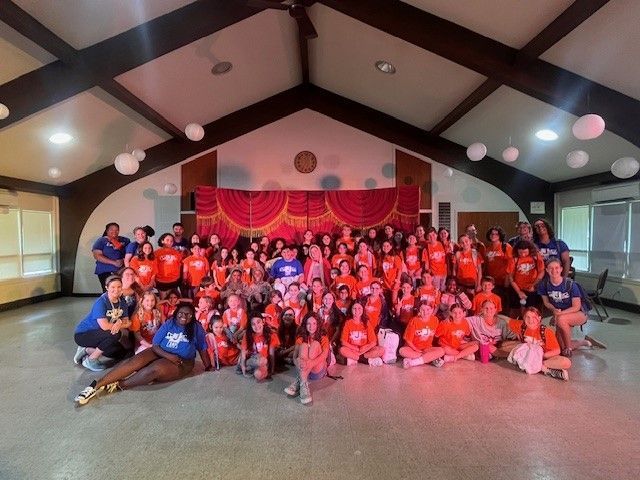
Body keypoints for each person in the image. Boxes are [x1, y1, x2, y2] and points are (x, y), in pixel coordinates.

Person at [74, 303, 212, 405]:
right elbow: (156, 345)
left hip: (182, 361)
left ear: (193, 315)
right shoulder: (170, 323)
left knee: (154, 369)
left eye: (188, 314)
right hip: (161, 352)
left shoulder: (196, 327)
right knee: (133, 362)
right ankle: (95, 386)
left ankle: (120, 384)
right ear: (176, 313)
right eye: (181, 313)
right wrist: (169, 356)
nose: (184, 317)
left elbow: (202, 347)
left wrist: (208, 365)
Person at [538, 258, 605, 357]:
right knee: (559, 347)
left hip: (578, 313)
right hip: (561, 314)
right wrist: (554, 310)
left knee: (561, 320)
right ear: (547, 270)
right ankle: (585, 342)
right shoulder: (544, 284)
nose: (554, 270)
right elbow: (546, 303)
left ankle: (568, 348)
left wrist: (557, 314)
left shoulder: (570, 284)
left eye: (556, 268)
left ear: (561, 269)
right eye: (550, 268)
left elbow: (576, 307)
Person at [73, 275, 131, 371]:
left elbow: (128, 322)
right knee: (116, 334)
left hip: (103, 335)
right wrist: (119, 324)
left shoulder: (122, 301)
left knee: (119, 353)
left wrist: (120, 322)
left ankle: (86, 350)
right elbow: (105, 326)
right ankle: (91, 360)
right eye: (113, 287)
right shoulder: (101, 302)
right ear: (106, 287)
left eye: (119, 287)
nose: (116, 290)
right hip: (83, 334)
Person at [507, 307, 571, 381]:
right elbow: (507, 320)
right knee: (506, 346)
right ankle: (546, 370)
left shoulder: (547, 332)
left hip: (544, 357)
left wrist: (540, 356)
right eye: (527, 317)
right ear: (524, 318)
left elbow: (557, 351)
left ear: (539, 318)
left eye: (534, 317)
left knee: (566, 362)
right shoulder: (522, 325)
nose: (530, 320)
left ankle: (537, 366)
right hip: (527, 354)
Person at [284, 313, 331, 405]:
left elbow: (324, 356)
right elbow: (295, 357)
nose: (311, 326)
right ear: (305, 325)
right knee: (304, 345)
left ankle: (299, 380)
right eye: (308, 324)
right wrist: (299, 364)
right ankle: (303, 384)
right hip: (305, 370)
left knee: (315, 344)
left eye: (314, 323)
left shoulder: (323, 337)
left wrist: (307, 364)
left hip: (318, 371)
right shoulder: (301, 338)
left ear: (318, 324)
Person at [399, 302, 445, 369]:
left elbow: (437, 334)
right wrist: (416, 349)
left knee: (442, 351)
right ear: (419, 310)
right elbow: (408, 340)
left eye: (428, 309)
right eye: (422, 310)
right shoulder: (414, 320)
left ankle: (413, 362)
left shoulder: (435, 320)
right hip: (413, 348)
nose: (425, 312)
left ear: (432, 310)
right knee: (402, 351)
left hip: (427, 348)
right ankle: (430, 359)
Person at [339, 302, 385, 366]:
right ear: (351, 310)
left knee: (381, 350)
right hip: (352, 349)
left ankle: (355, 358)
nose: (357, 310)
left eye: (359, 308)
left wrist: (363, 349)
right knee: (342, 350)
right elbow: (343, 342)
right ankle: (366, 360)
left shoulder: (366, 322)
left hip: (365, 349)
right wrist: (356, 349)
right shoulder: (347, 323)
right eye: (354, 308)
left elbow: (373, 342)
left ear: (363, 310)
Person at [508, 240, 544, 317]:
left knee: (531, 310)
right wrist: (519, 292)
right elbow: (511, 278)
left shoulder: (536, 256)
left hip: (531, 288)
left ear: (530, 250)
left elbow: (541, 272)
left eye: (525, 252)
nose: (523, 255)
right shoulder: (514, 259)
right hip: (517, 287)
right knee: (514, 310)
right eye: (520, 253)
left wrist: (534, 285)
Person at [239, 313, 279, 381]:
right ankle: (246, 368)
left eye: (258, 322)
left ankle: (254, 370)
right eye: (253, 324)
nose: (256, 326)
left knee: (259, 375)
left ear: (263, 321)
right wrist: (243, 366)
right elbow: (243, 353)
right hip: (251, 359)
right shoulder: (248, 335)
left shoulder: (271, 334)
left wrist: (272, 369)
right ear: (251, 326)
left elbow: (271, 354)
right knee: (261, 360)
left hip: (264, 362)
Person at [92, 222, 129, 291]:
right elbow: (97, 255)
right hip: (106, 271)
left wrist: (123, 260)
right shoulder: (101, 241)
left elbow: (129, 253)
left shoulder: (125, 240)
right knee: (109, 292)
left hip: (121, 271)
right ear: (107, 231)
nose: (114, 231)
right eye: (111, 229)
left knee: (123, 291)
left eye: (117, 229)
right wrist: (114, 262)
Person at [483, 226, 512, 306]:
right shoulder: (488, 248)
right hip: (491, 282)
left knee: (502, 305)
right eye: (492, 234)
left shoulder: (506, 247)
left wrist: (507, 280)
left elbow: (511, 265)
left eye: (496, 234)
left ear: (500, 236)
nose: (493, 236)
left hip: (503, 281)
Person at [155, 233, 183, 299]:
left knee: (173, 300)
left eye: (171, 241)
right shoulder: (156, 253)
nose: (169, 242)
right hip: (161, 280)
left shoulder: (177, 252)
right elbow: (154, 266)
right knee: (164, 300)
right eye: (167, 240)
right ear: (162, 241)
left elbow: (179, 265)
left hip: (174, 280)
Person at [422, 227, 448, 291]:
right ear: (427, 237)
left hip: (444, 273)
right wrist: (429, 274)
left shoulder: (442, 244)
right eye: (429, 236)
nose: (432, 237)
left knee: (443, 292)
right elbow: (426, 264)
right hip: (434, 274)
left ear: (436, 235)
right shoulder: (426, 248)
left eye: (433, 235)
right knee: (436, 292)